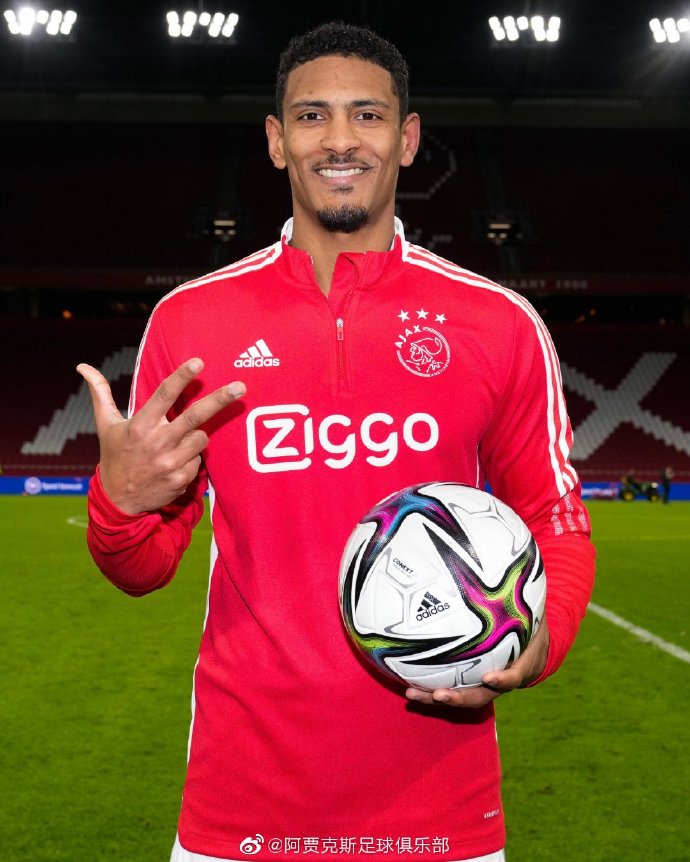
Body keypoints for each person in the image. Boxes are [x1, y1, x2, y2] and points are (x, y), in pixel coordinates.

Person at [77, 21, 595, 862]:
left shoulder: (498, 323)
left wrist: (539, 643)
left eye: (368, 115)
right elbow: (142, 569)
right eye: (312, 116)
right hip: (240, 807)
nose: (341, 140)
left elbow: (554, 518)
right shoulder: (191, 321)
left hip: (442, 812)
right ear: (277, 141)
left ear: (408, 138)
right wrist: (121, 504)